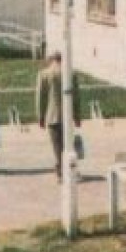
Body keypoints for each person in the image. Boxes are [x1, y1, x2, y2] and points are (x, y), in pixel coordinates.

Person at [36, 51, 81, 181]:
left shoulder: (44, 74)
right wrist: (77, 116)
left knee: (56, 145)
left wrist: (40, 116)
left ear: (51, 60)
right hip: (67, 115)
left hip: (52, 115)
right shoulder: (71, 73)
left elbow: (40, 97)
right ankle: (66, 168)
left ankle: (60, 169)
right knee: (68, 144)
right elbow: (76, 96)